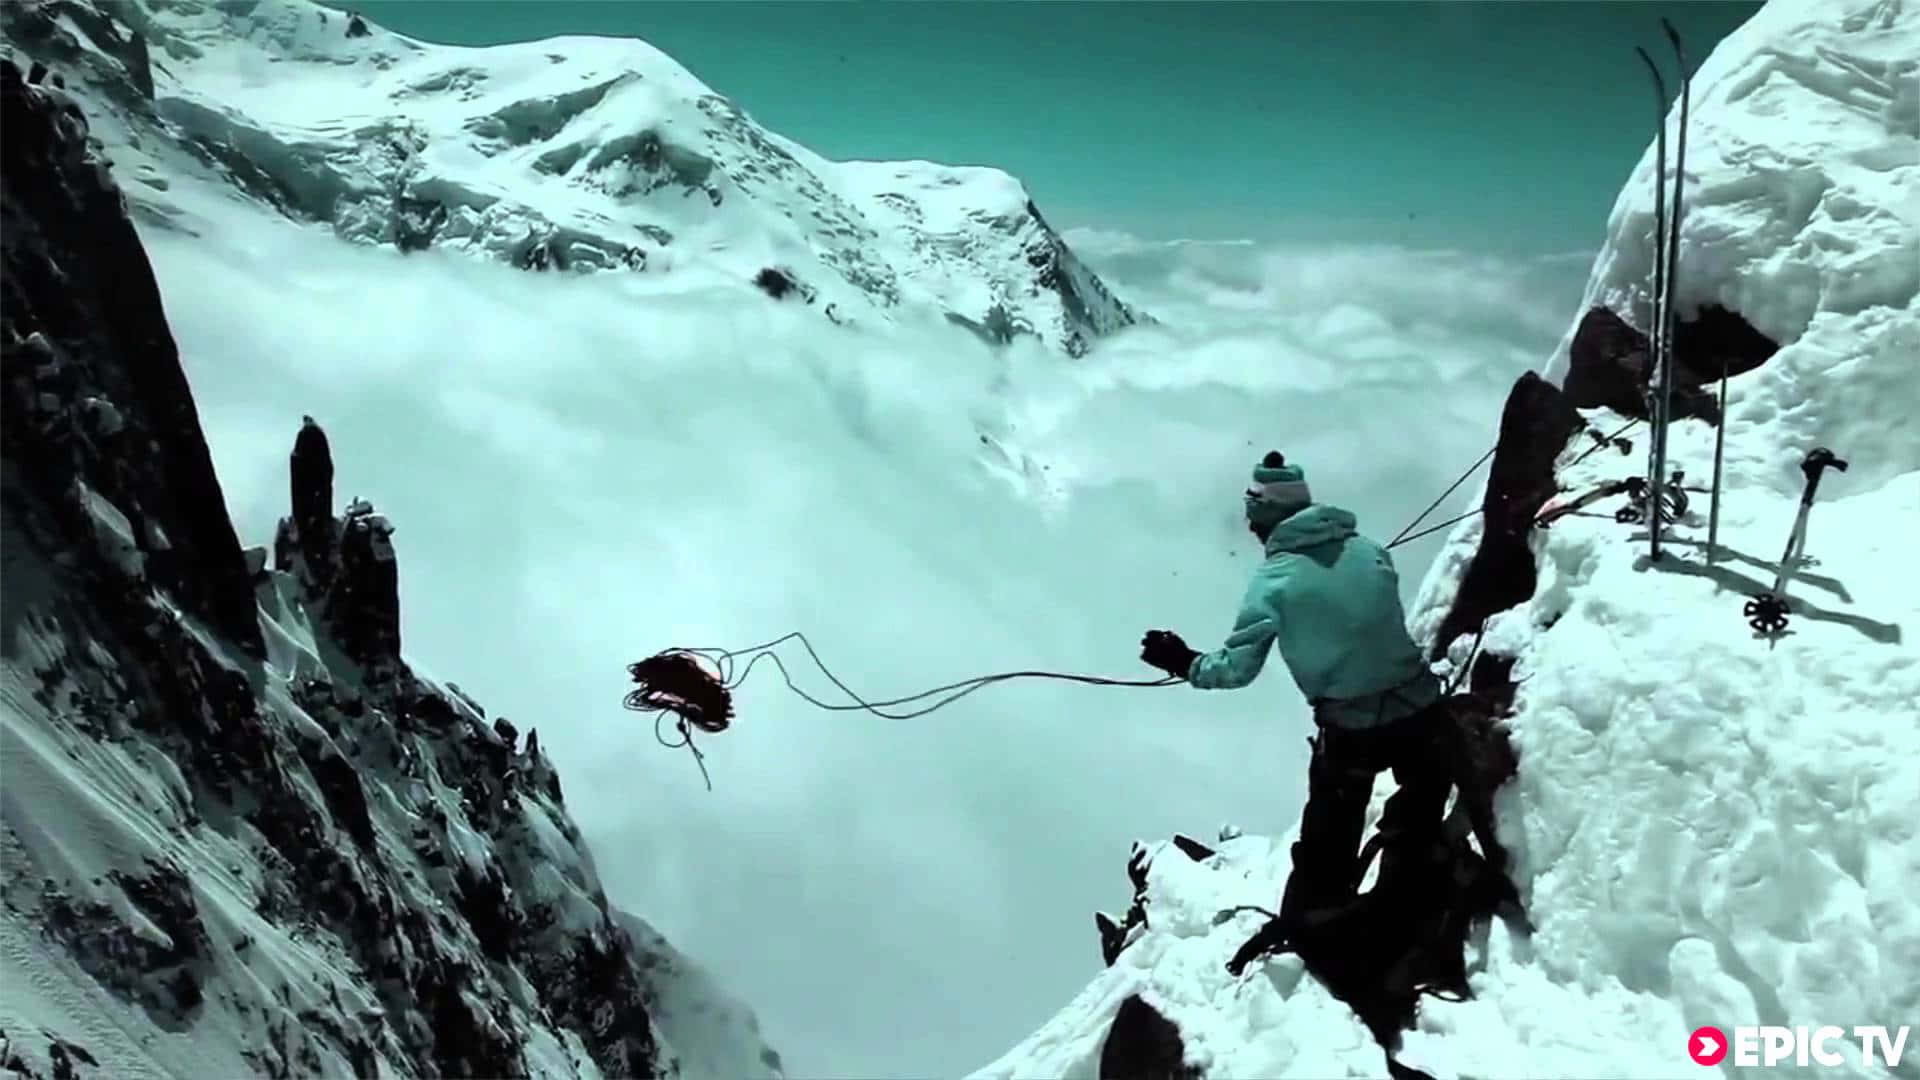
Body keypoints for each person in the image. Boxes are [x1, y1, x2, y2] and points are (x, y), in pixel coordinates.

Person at [1138, 451, 1455, 944]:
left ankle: (1317, 931)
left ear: (1268, 518)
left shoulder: (1275, 580)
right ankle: (1412, 899)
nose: (1250, 529)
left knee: (1328, 845)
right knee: (1416, 821)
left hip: (1353, 729)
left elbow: (1239, 668)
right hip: (1424, 712)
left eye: (1253, 517)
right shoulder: (1370, 549)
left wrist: (1183, 661)